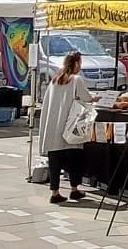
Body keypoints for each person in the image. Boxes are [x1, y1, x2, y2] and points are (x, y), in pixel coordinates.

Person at [38, 51, 93, 204]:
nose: (80, 66)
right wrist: (94, 98)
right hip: (69, 126)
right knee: (74, 159)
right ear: (75, 63)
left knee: (55, 160)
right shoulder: (76, 80)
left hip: (53, 126)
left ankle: (55, 192)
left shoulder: (55, 80)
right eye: (79, 63)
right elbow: (87, 97)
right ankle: (74, 190)